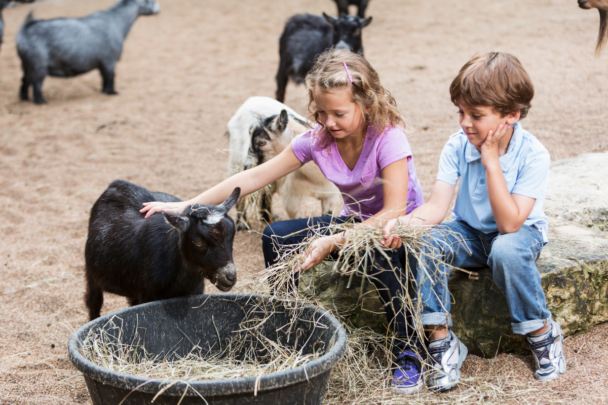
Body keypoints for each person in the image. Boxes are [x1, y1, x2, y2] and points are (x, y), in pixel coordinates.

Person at [140, 48, 427, 394]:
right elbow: (253, 178)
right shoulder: (319, 140)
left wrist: (332, 242)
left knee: (384, 254)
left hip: (396, 229)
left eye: (338, 113)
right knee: (276, 235)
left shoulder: (387, 137)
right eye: (321, 112)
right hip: (351, 223)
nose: (329, 122)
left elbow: (393, 212)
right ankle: (287, 331)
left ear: (366, 105)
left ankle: (408, 349)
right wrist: (185, 205)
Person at [382, 52, 566, 393]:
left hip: (518, 234)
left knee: (507, 252)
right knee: (425, 242)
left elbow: (510, 224)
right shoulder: (456, 145)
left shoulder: (533, 154)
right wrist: (406, 225)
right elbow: (437, 207)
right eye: (461, 112)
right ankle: (441, 342)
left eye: (476, 115)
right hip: (468, 233)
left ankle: (542, 334)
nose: (465, 123)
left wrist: (491, 160)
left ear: (511, 115)